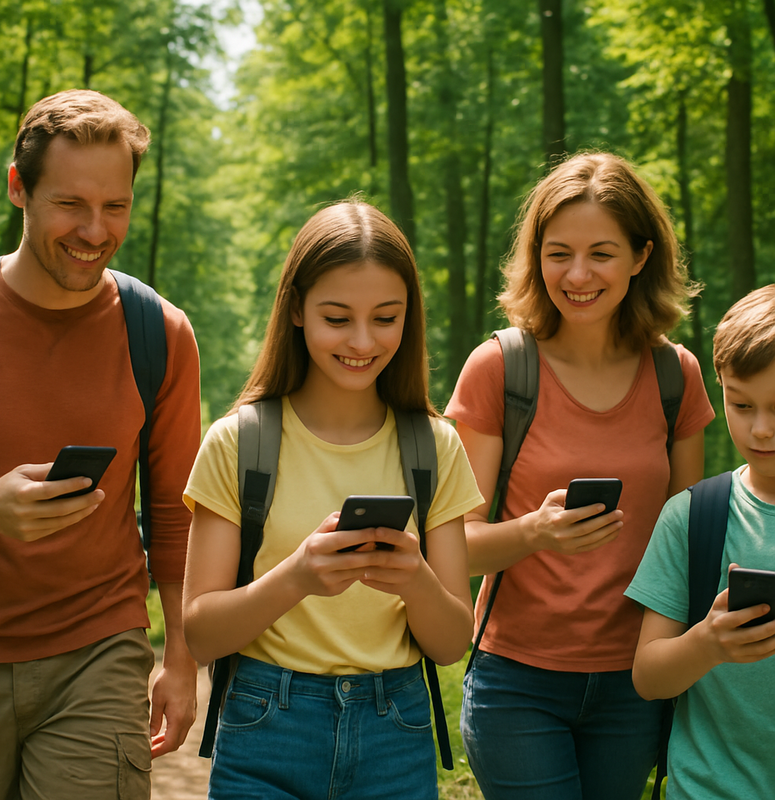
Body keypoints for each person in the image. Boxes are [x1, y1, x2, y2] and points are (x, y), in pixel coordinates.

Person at [182, 199, 482, 800]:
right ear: (296, 309)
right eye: (338, 318)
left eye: (386, 318)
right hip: (265, 726)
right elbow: (200, 636)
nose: (363, 341)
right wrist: (297, 576)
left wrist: (416, 580)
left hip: (395, 732)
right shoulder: (238, 442)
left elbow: (452, 644)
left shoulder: (435, 446)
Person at [444, 152, 715, 800]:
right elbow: (452, 547)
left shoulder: (676, 376)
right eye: (558, 253)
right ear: (535, 257)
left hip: (635, 682)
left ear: (641, 256)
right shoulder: (499, 369)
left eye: (602, 253)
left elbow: (689, 545)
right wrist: (534, 532)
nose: (578, 275)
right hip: (518, 682)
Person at [0, 89, 201, 800]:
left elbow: (174, 514)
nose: (95, 231)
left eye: (116, 206)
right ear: (19, 187)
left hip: (96, 652)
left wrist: (181, 659)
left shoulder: (158, 333)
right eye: (70, 204)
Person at [627, 285, 775, 800]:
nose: (762, 429)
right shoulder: (694, 516)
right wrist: (707, 643)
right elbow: (648, 677)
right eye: (742, 404)